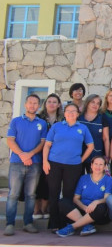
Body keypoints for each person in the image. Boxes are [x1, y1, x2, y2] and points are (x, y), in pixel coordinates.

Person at [43, 103, 94, 231]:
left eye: (74, 111)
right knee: (53, 193)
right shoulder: (56, 126)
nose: (71, 113)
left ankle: (67, 223)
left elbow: (91, 146)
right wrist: (45, 161)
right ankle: (54, 224)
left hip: (73, 166)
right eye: (68, 111)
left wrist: (81, 160)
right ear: (64, 113)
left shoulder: (82, 128)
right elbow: (47, 145)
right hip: (54, 163)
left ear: (77, 114)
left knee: (68, 195)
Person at [5, 94, 46, 236]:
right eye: (30, 103)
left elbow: (42, 143)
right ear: (25, 104)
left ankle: (28, 223)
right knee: (13, 194)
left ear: (39, 106)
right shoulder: (16, 121)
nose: (33, 105)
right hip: (17, 163)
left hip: (34, 164)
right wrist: (23, 155)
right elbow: (10, 140)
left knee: (30, 195)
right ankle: (9, 224)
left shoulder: (42, 123)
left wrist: (30, 154)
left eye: (36, 103)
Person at [54, 156, 112, 237]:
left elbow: (107, 199)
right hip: (82, 211)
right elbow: (76, 198)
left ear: (104, 167)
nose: (98, 167)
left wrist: (96, 202)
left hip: (96, 213)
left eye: (101, 164)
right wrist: (84, 207)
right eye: (95, 164)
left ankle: (72, 227)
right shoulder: (84, 178)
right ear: (91, 165)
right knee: (63, 202)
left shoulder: (108, 179)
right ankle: (87, 226)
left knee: (101, 207)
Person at [34, 94, 63, 220]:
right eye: (49, 101)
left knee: (49, 183)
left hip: (55, 156)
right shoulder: (38, 118)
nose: (51, 104)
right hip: (37, 154)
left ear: (59, 104)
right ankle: (36, 209)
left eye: (54, 102)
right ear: (45, 104)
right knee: (36, 181)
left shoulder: (62, 120)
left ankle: (45, 208)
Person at [79, 95, 105, 172]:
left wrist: (107, 156)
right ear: (87, 103)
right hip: (79, 154)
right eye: (92, 102)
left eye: (98, 103)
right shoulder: (79, 118)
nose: (95, 105)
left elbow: (105, 138)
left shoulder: (102, 118)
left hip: (96, 155)